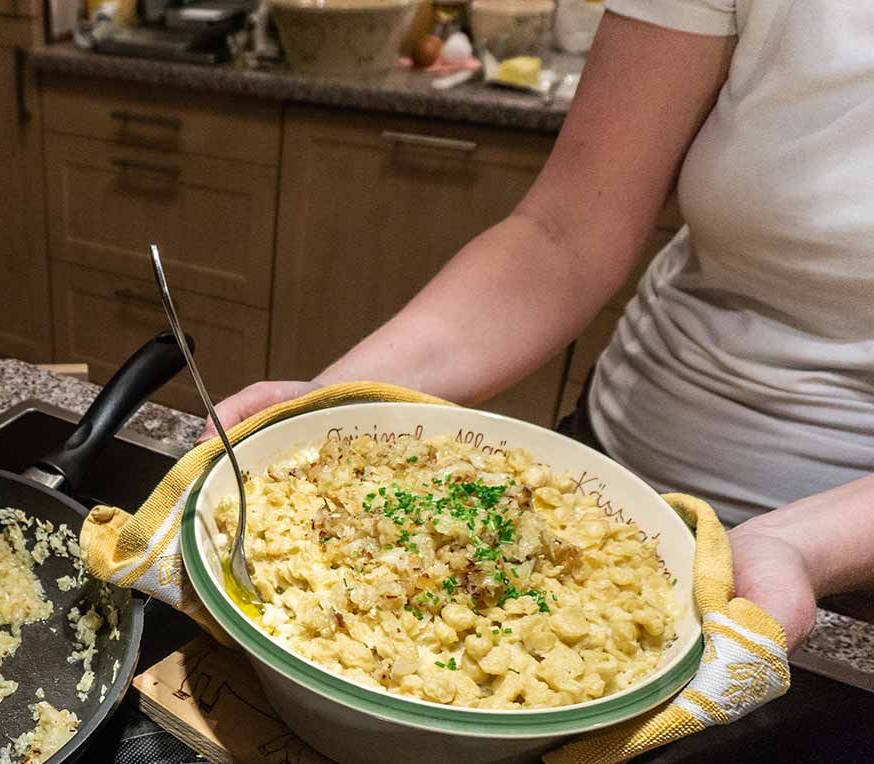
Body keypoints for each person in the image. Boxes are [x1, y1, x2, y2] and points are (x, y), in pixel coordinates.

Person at [212, 0, 874, 685]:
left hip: (845, 581)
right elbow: (563, 236)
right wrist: (338, 401)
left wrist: (798, 545)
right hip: (604, 487)